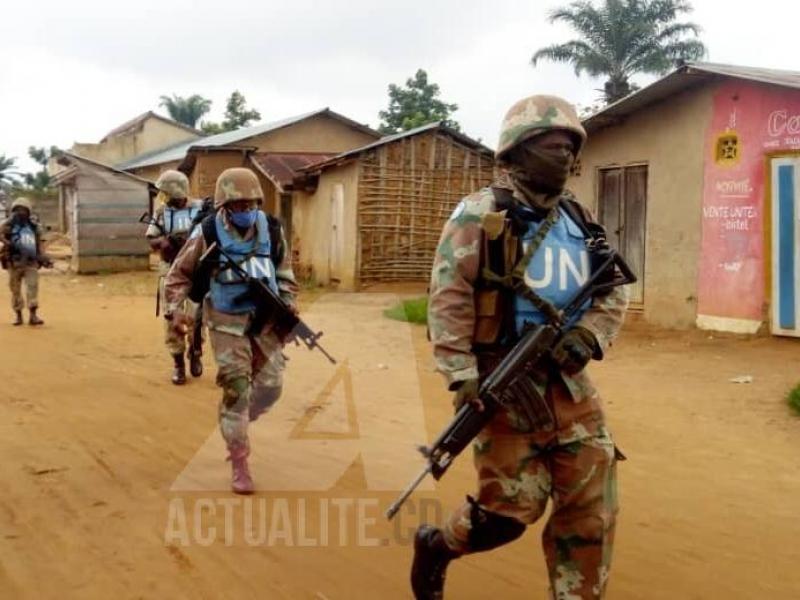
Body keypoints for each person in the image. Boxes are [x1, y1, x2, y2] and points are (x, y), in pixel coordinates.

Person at [412, 95, 629, 599]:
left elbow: (613, 288)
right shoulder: (479, 215)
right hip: (502, 382)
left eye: (569, 147)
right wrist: (462, 377)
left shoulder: (581, 219)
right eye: (552, 146)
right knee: (509, 514)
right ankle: (439, 545)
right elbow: (448, 298)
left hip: (571, 386)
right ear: (517, 152)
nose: (564, 157)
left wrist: (588, 334)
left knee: (591, 510)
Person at [163, 167, 298, 494]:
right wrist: (176, 311)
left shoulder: (272, 229)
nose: (245, 210)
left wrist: (288, 307)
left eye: (251, 204)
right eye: (238, 205)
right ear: (225, 205)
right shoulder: (208, 231)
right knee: (237, 389)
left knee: (271, 387)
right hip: (226, 321)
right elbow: (178, 275)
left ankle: (236, 419)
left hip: (265, 320)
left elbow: (284, 274)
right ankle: (239, 459)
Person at [145, 170, 204, 385]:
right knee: (172, 317)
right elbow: (152, 240)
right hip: (170, 269)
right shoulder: (162, 212)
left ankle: (196, 351)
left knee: (198, 317)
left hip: (197, 271)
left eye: (167, 191)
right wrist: (165, 243)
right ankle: (178, 363)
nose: (164, 196)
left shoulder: (200, 209)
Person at [0, 197, 51, 326]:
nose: (20, 212)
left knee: (32, 288)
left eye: (23, 210)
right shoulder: (8, 226)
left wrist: (44, 257)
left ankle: (33, 316)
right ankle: (18, 316)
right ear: (13, 211)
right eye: (17, 210)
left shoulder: (34, 226)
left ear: (28, 211)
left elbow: (40, 244)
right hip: (14, 263)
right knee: (15, 290)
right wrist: (8, 242)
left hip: (31, 263)